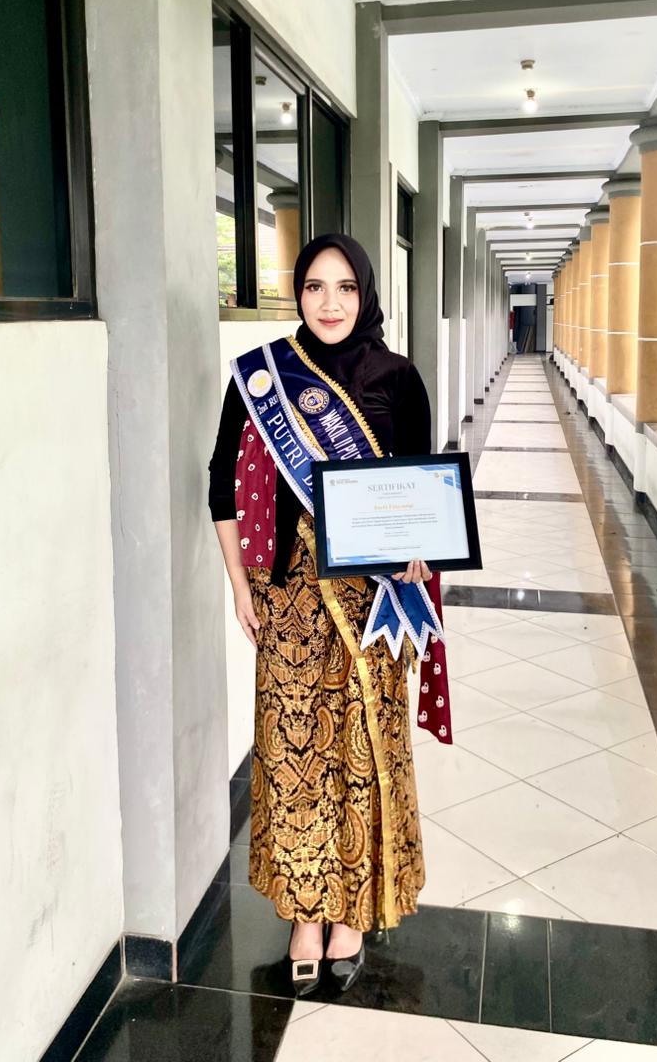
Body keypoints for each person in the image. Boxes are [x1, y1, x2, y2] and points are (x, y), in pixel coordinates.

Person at [208, 233, 448, 997]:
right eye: (314, 286)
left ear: (365, 293)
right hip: (283, 598)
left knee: (360, 752)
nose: (330, 302)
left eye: (345, 287)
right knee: (294, 756)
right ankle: (304, 914)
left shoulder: (397, 378)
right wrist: (238, 588)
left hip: (370, 604)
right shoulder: (262, 378)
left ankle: (351, 912)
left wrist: (419, 550)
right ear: (298, 293)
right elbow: (219, 482)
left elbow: (421, 489)